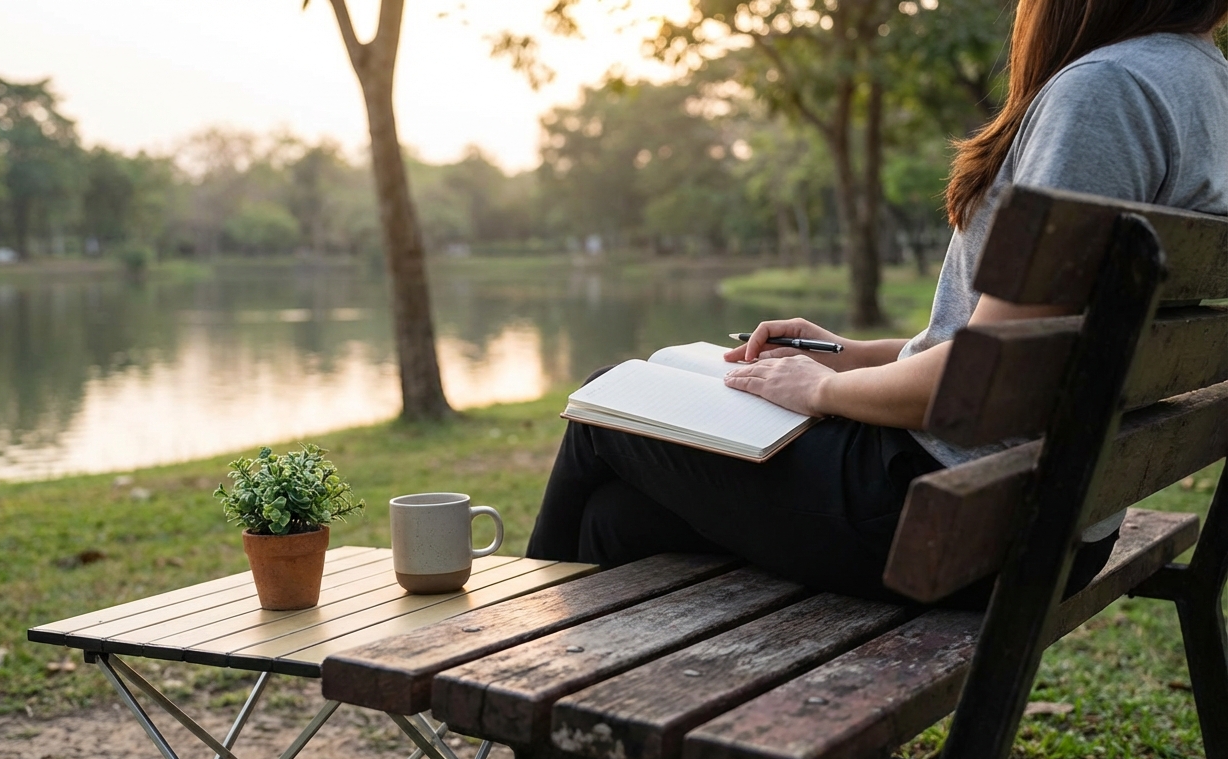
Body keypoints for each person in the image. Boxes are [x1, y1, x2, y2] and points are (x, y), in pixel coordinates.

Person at [526, 0, 1228, 606]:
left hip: (950, 514)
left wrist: (827, 390)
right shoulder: (1204, 83)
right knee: (618, 518)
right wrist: (849, 354)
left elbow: (985, 379)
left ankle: (501, 671)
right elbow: (1026, 345)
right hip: (1047, 513)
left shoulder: (1105, 90)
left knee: (604, 407)